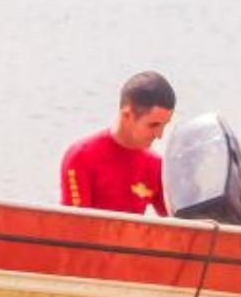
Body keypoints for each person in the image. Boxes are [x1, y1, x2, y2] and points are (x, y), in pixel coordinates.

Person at [60, 71, 175, 215]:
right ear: (127, 115)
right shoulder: (81, 157)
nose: (160, 135)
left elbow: (177, 222)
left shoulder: (156, 166)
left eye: (164, 125)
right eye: (153, 125)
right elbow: (74, 224)